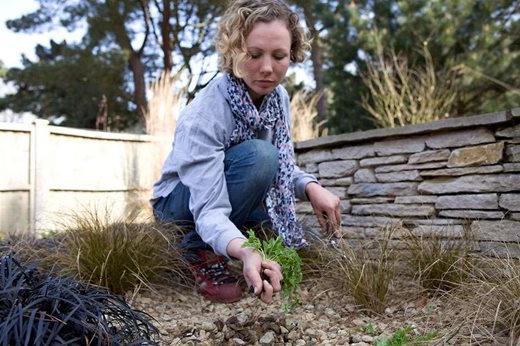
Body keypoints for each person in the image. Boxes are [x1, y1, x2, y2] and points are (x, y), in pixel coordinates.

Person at [152, 0, 341, 304]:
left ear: (291, 55)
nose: (267, 68)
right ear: (234, 52)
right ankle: (196, 247)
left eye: (279, 56)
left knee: (289, 240)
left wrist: (310, 187)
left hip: (228, 192)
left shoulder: (276, 98)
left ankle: (238, 234)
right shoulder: (206, 113)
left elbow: (282, 165)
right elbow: (211, 206)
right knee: (260, 155)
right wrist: (244, 251)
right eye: (254, 55)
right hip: (179, 206)